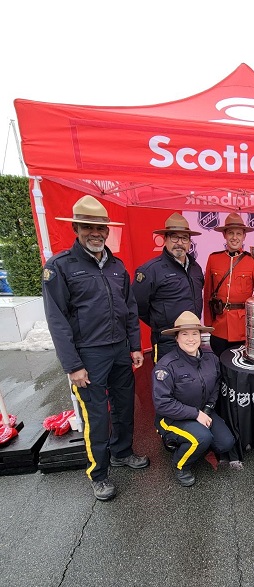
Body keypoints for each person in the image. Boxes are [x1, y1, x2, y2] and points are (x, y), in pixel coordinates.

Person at [42, 195, 149, 502]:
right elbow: (57, 320)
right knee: (97, 416)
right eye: (88, 227)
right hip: (87, 355)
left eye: (100, 228)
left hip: (118, 351)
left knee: (125, 405)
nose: (95, 233)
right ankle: (98, 474)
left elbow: (129, 310)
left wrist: (134, 347)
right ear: (76, 228)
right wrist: (72, 366)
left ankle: (122, 452)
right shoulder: (60, 267)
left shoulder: (117, 267)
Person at [152, 311, 235, 486]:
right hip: (172, 418)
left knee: (226, 443)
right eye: (184, 334)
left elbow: (217, 384)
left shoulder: (211, 358)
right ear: (176, 338)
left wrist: (207, 409)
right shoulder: (166, 366)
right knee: (202, 438)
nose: (190, 339)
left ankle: (194, 444)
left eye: (194, 334)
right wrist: (196, 414)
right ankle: (180, 464)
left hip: (203, 412)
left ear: (200, 336)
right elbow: (162, 404)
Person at [132, 213, 204, 362]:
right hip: (166, 341)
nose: (179, 243)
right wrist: (160, 322)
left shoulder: (195, 267)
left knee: (192, 381)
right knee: (166, 382)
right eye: (174, 237)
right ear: (165, 240)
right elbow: (137, 305)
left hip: (192, 339)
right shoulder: (150, 270)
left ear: (190, 242)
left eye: (184, 238)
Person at [203, 213, 254, 357]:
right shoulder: (214, 258)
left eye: (238, 234)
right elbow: (208, 293)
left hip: (242, 326)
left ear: (244, 236)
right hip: (219, 325)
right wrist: (209, 324)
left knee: (240, 366)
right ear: (224, 235)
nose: (234, 237)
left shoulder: (252, 261)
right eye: (230, 233)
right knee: (219, 362)